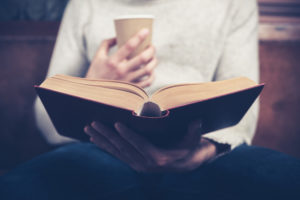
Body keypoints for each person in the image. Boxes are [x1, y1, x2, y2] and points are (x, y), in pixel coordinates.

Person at [1, 0, 300, 199]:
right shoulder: (85, 4)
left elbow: (243, 111)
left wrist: (201, 154)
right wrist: (96, 81)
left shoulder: (233, 3)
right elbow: (45, 120)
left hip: (202, 152)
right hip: (102, 149)